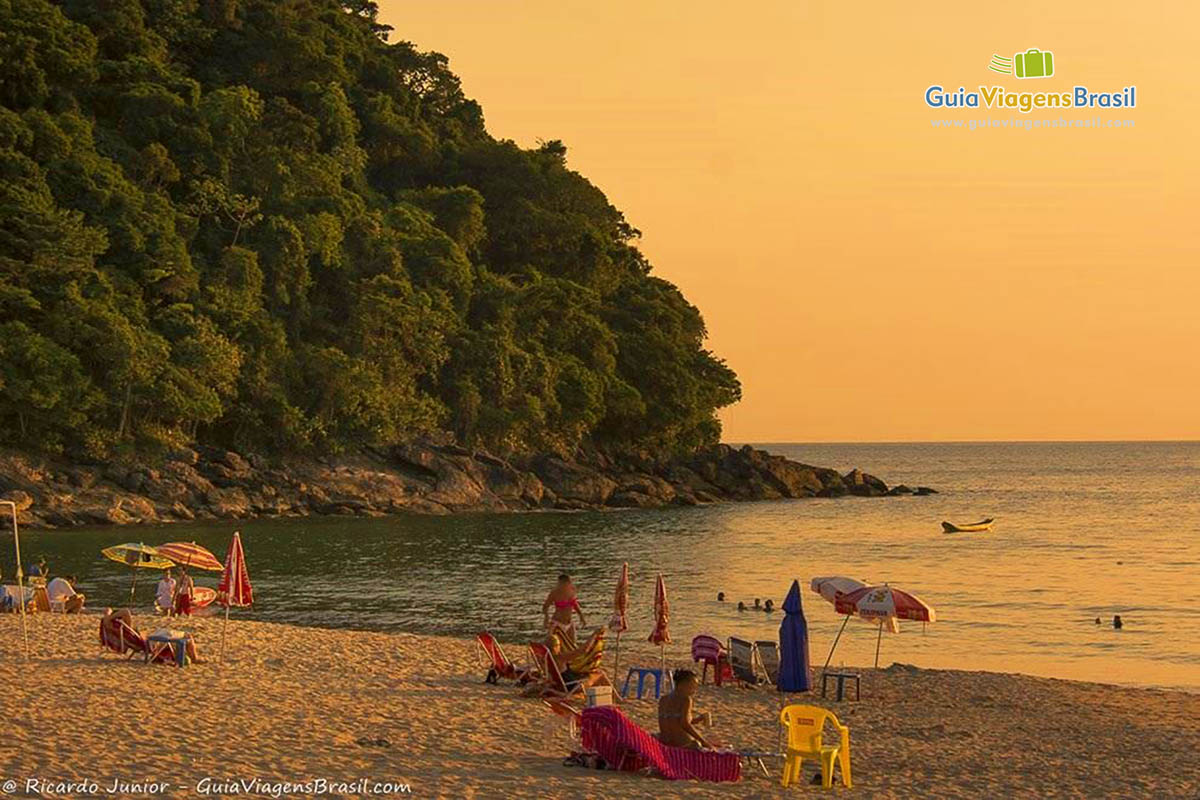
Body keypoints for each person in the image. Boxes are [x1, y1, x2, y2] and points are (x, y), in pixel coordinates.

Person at [102, 607, 202, 663]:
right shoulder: (126, 632)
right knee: (186, 636)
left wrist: (109, 615)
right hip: (150, 643)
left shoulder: (127, 632)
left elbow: (114, 611)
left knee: (185, 636)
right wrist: (108, 617)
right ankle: (194, 658)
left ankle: (193, 658)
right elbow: (125, 611)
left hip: (149, 640)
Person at [657, 669, 713, 749]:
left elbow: (674, 720)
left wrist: (699, 719)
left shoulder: (663, 699)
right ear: (681, 685)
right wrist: (703, 742)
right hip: (681, 743)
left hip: (665, 741)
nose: (694, 691)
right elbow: (684, 724)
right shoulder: (685, 699)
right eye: (692, 687)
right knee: (698, 744)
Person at [543, 573, 586, 644]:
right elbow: (545, 606)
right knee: (552, 642)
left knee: (572, 643)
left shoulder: (572, 590)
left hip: (569, 623)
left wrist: (581, 616)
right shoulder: (555, 593)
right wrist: (546, 617)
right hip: (557, 622)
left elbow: (575, 604)